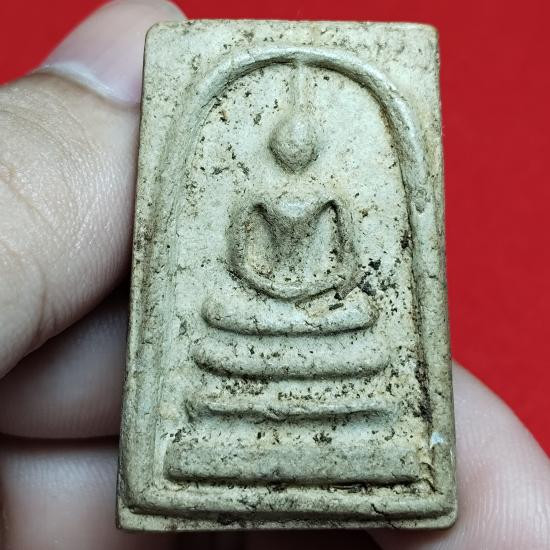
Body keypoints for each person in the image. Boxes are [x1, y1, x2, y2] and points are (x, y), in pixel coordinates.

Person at [0, 1, 548, 548]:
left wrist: (321, 290)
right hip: (260, 300)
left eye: (303, 142)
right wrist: (267, 288)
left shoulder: (330, 197)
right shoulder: (255, 195)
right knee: (221, 318)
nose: (295, 149)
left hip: (321, 301)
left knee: (361, 320)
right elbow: (240, 259)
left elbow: (348, 264)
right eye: (288, 141)